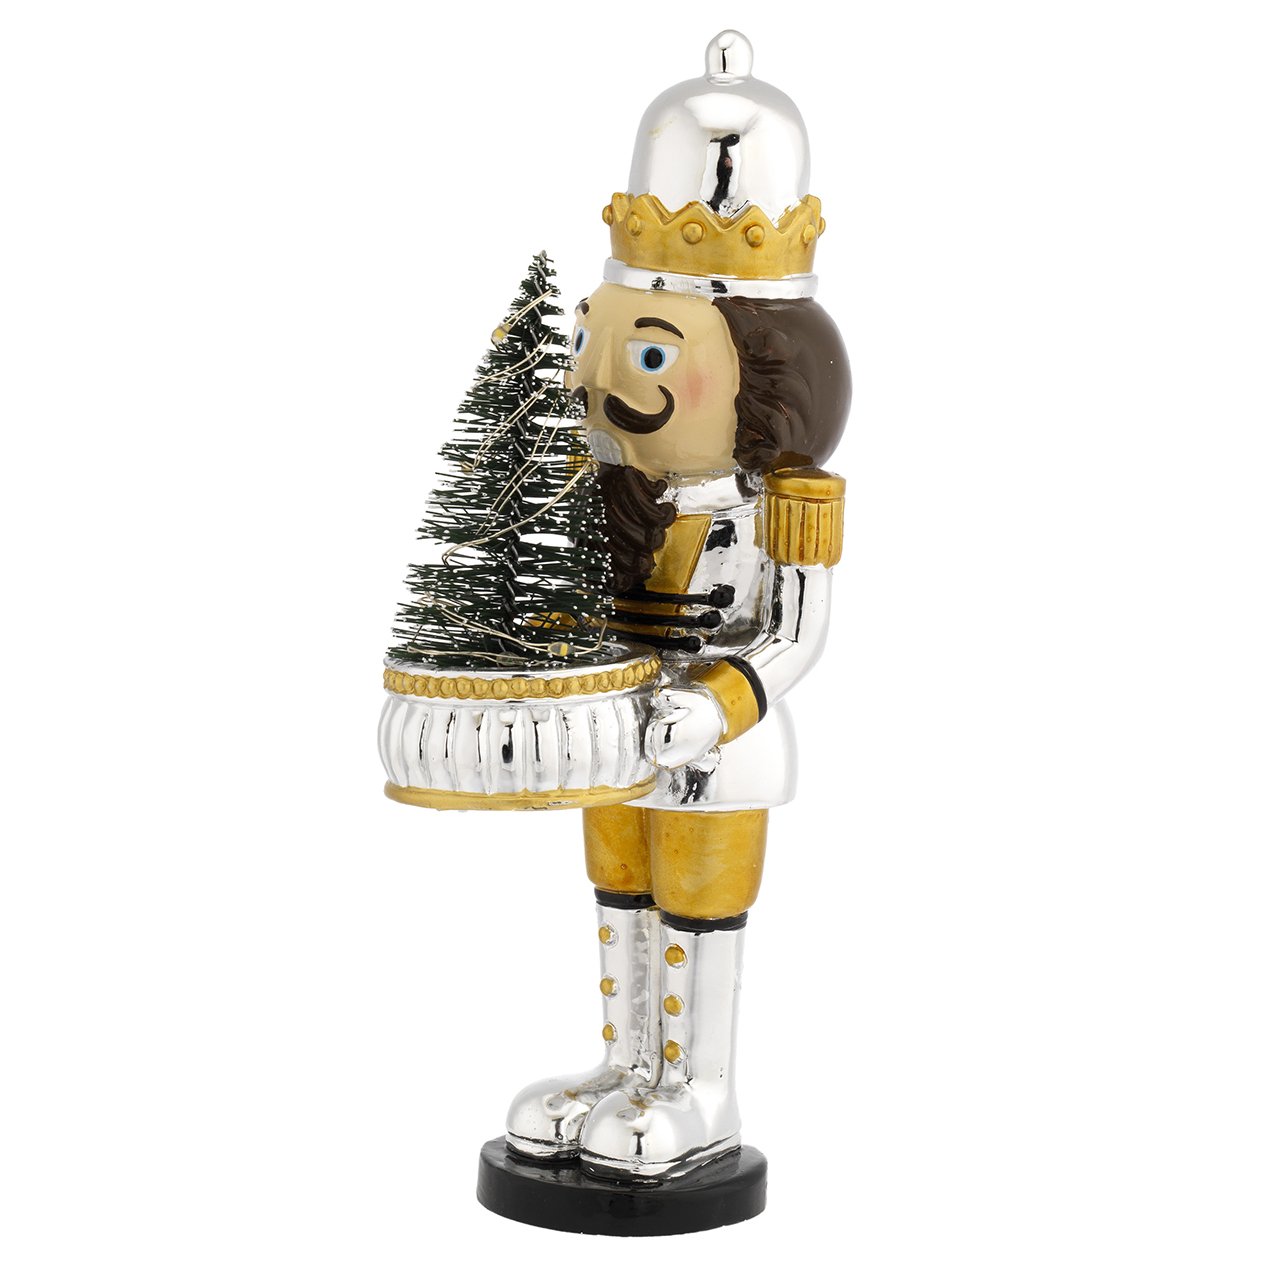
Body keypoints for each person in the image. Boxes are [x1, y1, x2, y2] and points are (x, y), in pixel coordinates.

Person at [505, 30, 853, 1181]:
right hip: (612, 725)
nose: (607, 376)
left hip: (719, 740)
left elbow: (794, 632)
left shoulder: (781, 506)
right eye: (598, 341)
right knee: (619, 887)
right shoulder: (603, 494)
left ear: (760, 369)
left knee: (697, 904)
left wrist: (714, 704)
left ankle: (698, 1087)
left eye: (648, 354)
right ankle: (624, 1065)